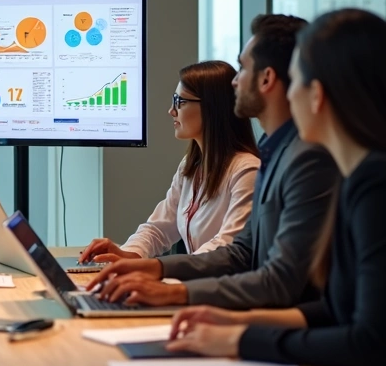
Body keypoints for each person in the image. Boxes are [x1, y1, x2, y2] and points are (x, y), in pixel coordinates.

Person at [166, 9, 386, 366]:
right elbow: (337, 308)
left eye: (297, 81)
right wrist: (234, 321)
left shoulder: (383, 186)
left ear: (317, 94)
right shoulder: (368, 177)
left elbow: (370, 341)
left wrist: (240, 338)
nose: (288, 94)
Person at [88, 15, 339, 309]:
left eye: (243, 68)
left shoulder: (282, 163)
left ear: (267, 78)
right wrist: (143, 264)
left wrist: (170, 287)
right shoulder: (271, 155)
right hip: (229, 300)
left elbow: (271, 277)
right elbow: (239, 252)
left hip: (256, 314)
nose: (236, 81)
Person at [80, 61, 260, 260]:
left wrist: (158, 269)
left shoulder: (247, 171)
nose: (171, 111)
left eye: (180, 102)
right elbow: (158, 228)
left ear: (211, 107)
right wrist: (126, 254)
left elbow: (226, 247)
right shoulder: (191, 167)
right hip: (195, 283)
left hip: (220, 287)